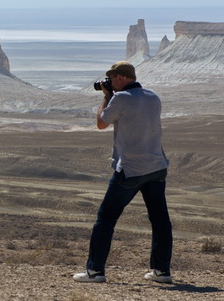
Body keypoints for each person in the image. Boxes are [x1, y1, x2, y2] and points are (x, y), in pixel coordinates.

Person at [73, 61, 173, 284]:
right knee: (160, 220)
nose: (110, 83)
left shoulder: (120, 98)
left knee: (105, 218)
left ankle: (95, 271)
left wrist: (106, 96)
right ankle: (161, 271)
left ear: (119, 78)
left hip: (130, 169)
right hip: (156, 166)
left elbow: (101, 123)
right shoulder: (153, 97)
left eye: (111, 79)